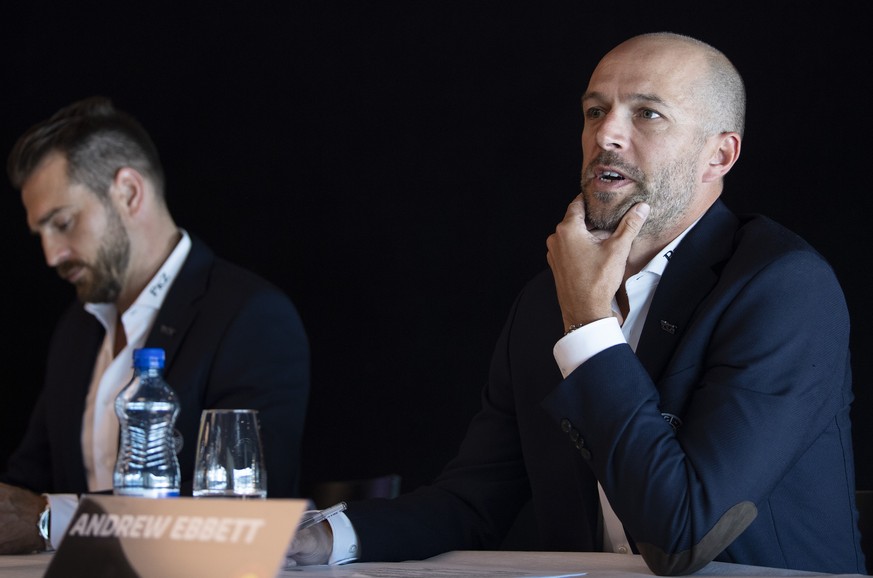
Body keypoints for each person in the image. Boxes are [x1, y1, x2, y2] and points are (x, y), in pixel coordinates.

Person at [287, 32, 865, 575]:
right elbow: (471, 502)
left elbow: (684, 533)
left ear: (719, 156)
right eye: (595, 111)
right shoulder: (548, 298)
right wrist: (322, 537)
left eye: (647, 113)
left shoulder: (783, 288)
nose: (606, 135)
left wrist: (589, 323)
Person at [0, 97, 310, 554]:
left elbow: (245, 511)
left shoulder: (251, 315)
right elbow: (27, 485)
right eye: (40, 234)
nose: (51, 255)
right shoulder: (76, 330)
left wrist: (52, 519)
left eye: (62, 223)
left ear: (128, 192)